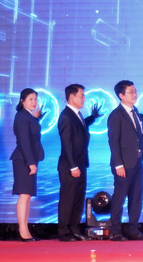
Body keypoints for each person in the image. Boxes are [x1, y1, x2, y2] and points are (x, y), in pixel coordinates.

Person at [107, 80, 143, 241]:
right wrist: (118, 164)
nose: (135, 94)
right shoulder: (116, 115)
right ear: (121, 95)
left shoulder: (135, 111)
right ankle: (115, 231)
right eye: (131, 92)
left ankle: (133, 230)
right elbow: (113, 141)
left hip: (137, 162)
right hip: (123, 164)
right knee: (119, 197)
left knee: (136, 197)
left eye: (135, 91)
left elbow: (141, 120)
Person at [57, 84, 102, 242]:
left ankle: (74, 228)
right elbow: (66, 143)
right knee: (68, 198)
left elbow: (80, 129)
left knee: (78, 198)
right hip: (71, 166)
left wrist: (93, 117)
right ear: (71, 97)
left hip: (81, 164)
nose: (84, 99)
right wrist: (73, 166)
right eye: (81, 96)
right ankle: (64, 231)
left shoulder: (77, 115)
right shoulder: (66, 116)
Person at [11, 88, 45, 242]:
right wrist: (31, 163)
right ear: (22, 101)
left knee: (27, 196)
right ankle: (23, 231)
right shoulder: (22, 117)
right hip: (24, 160)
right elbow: (24, 141)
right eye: (30, 99)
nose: (34, 102)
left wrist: (37, 119)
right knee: (24, 195)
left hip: (29, 159)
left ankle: (25, 230)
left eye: (35, 99)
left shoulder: (28, 116)